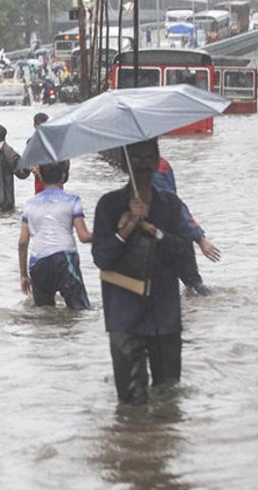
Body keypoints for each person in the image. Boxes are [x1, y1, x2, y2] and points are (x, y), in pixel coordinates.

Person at [91, 138, 192, 405]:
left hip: (164, 315)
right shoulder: (109, 205)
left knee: (168, 399)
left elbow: (183, 252)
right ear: (124, 164)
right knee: (130, 404)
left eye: (149, 157)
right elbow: (101, 258)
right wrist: (127, 229)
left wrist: (154, 231)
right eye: (135, 158)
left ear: (158, 161)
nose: (143, 164)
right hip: (125, 317)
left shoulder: (169, 204)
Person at [18, 162, 92, 310]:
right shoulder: (73, 200)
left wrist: (24, 275)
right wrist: (109, 233)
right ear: (63, 176)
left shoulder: (30, 204)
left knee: (45, 314)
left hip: (38, 264)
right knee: (80, 310)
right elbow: (84, 237)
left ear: (41, 177)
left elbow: (23, 242)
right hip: (65, 259)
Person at [153, 156, 221, 295]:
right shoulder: (162, 163)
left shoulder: (153, 173)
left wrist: (199, 238)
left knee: (193, 288)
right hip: (176, 233)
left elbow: (175, 205)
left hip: (168, 235)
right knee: (192, 288)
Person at [29, 113, 70, 194]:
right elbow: (27, 163)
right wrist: (32, 168)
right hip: (40, 183)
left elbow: (66, 162)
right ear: (34, 125)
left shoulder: (57, 141)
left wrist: (63, 173)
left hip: (57, 181)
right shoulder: (31, 143)